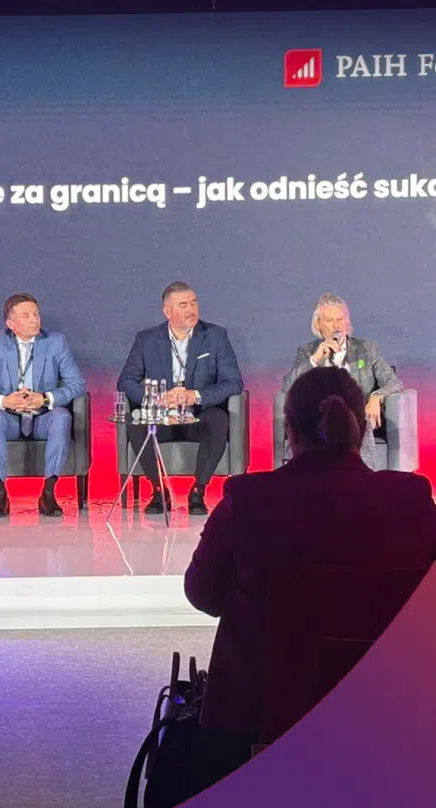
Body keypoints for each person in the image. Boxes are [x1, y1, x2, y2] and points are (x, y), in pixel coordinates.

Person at [185, 367, 436, 773]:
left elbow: (203, 595)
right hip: (396, 714)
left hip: (258, 725)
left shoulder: (248, 499)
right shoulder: (413, 498)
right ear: (360, 427)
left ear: (290, 428)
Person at [117, 282, 243, 515]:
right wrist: (155, 398)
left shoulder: (215, 336)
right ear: (168, 312)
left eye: (194, 303)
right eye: (183, 305)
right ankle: (158, 491)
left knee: (218, 419)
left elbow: (234, 382)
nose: (191, 310)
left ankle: (198, 491)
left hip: (198, 417)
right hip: (162, 418)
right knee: (136, 424)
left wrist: (195, 395)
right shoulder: (146, 339)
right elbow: (126, 381)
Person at [0, 292, 86, 518]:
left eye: (36, 314)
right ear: (11, 324)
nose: (34, 320)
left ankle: (48, 492)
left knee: (62, 417)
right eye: (26, 316)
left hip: (43, 417)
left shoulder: (55, 342)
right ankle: (0, 492)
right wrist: (3, 401)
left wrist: (45, 398)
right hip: (9, 417)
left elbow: (77, 384)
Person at [281, 293, 403, 469]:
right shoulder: (307, 351)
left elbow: (394, 382)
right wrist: (314, 360)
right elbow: (287, 387)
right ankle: (300, 477)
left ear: (348, 322)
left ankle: (362, 474)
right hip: (319, 414)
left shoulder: (366, 350)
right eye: (329, 320)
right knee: (304, 421)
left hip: (358, 413)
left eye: (340, 319)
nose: (336, 326)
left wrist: (376, 397)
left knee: (359, 418)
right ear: (318, 325)